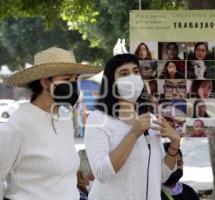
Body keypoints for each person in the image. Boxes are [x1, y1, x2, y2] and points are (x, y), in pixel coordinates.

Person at [0, 47, 101, 200]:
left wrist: (71, 176)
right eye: (67, 79)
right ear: (45, 82)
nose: (73, 85)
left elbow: (52, 166)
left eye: (75, 79)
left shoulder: (65, 118)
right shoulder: (17, 126)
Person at [84, 54, 180, 200]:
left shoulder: (150, 118)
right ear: (112, 82)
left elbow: (160, 175)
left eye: (136, 72)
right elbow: (101, 173)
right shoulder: (98, 119)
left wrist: (174, 144)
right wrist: (133, 134)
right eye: (124, 74)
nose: (133, 77)